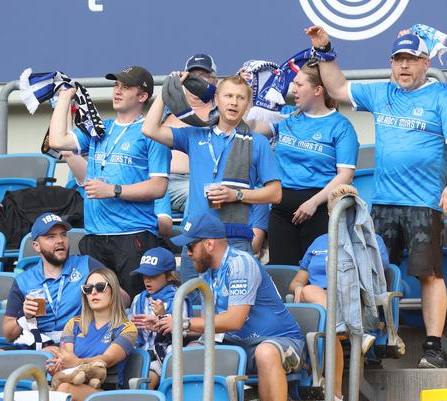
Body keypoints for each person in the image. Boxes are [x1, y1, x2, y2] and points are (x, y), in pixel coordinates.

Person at [304, 26, 447, 368]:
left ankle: (433, 347)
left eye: (410, 60)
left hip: (424, 203)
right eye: (398, 60)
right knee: (371, 273)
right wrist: (325, 49)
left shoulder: (441, 97)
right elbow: (335, 87)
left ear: (426, 63)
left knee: (430, 273)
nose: (403, 67)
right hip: (383, 203)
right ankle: (375, 342)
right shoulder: (381, 92)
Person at [159, 213, 304, 401]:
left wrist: (184, 322)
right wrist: (168, 324)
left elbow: (234, 320)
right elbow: (214, 324)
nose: (186, 253)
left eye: (190, 246)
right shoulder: (206, 272)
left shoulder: (240, 263)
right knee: (191, 352)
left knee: (265, 352)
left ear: (209, 244)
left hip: (280, 341)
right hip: (238, 343)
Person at [142, 74, 281, 290]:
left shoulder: (258, 142)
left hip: (234, 239)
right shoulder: (195, 134)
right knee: (194, 308)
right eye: (228, 96)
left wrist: (237, 195)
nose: (234, 102)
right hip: (197, 238)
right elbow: (149, 129)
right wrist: (168, 89)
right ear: (216, 99)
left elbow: (275, 193)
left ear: (247, 104)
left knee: (235, 309)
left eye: (240, 98)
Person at [48, 66, 171, 296]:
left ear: (142, 96)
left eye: (126, 87)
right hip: (95, 236)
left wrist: (113, 190)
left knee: (135, 309)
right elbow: (57, 140)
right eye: (116, 85)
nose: (117, 91)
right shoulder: (100, 127)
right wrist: (64, 96)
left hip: (132, 236)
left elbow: (159, 187)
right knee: (99, 311)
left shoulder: (152, 133)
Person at [289, 185, 388, 401]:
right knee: (314, 299)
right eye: (336, 210)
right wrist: (297, 290)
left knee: (321, 311)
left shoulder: (370, 239)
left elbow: (374, 277)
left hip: (352, 301)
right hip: (318, 305)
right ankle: (335, 398)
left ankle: (334, 397)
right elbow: (297, 281)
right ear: (329, 213)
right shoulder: (318, 242)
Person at [248, 62, 359, 265]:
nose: (294, 89)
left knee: (316, 276)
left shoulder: (341, 126)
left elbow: (345, 175)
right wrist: (249, 92)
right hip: (281, 212)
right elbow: (252, 130)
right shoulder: (287, 115)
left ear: (318, 90)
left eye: (299, 85)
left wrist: (313, 203)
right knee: (284, 275)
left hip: (318, 209)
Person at [46, 268, 137, 401]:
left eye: (100, 287)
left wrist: (76, 363)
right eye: (88, 289)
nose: (93, 292)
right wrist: (57, 369)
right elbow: (66, 359)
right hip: (74, 387)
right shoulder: (73, 324)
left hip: (108, 394)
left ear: (113, 290)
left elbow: (107, 359)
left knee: (65, 389)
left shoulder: (127, 328)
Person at [2, 212, 106, 350]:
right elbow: (9, 335)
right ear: (36, 246)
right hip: (37, 342)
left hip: (77, 340)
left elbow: (123, 299)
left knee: (53, 353)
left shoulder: (87, 265)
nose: (60, 240)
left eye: (63, 234)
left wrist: (101, 292)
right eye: (51, 237)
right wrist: (24, 315)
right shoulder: (23, 280)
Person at [129, 247, 190, 389]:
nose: (147, 280)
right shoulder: (139, 299)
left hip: (164, 355)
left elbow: (183, 334)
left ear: (169, 276)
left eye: (153, 276)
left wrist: (161, 317)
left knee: (147, 380)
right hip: (139, 353)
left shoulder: (179, 298)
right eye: (144, 276)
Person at [165, 53, 219, 215]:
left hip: (205, 182)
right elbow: (147, 131)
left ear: (215, 82)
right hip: (166, 181)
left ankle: (190, 239)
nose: (197, 81)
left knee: (202, 195)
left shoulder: (223, 112)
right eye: (192, 76)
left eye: (203, 76)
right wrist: (169, 88)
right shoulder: (167, 111)